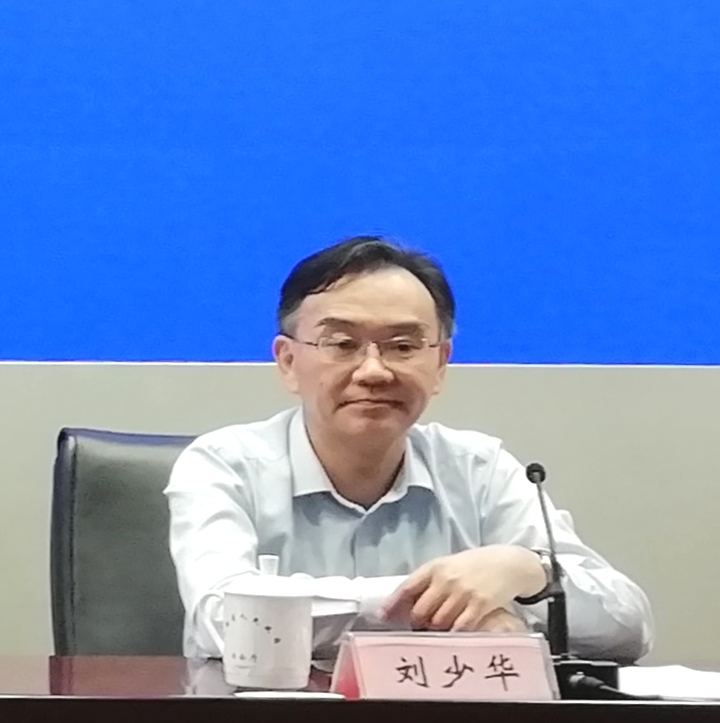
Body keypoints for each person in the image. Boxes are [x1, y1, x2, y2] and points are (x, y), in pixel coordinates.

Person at [168, 235, 649, 667]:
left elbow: (629, 625)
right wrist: (445, 605)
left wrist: (530, 571)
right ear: (288, 362)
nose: (374, 371)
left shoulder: (479, 470)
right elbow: (225, 617)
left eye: (402, 346)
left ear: (440, 364)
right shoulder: (224, 465)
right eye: (342, 344)